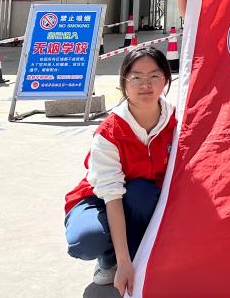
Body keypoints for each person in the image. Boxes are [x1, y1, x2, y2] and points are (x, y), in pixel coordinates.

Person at [63, 48, 176, 294]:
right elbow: (112, 196)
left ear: (166, 79)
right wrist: (123, 263)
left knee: (142, 194)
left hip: (144, 199)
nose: (145, 85)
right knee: (85, 239)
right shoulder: (109, 133)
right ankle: (110, 259)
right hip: (101, 199)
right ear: (124, 82)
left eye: (154, 76)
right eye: (136, 77)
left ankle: (141, 255)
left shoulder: (178, 124)